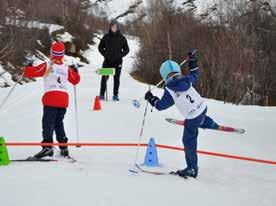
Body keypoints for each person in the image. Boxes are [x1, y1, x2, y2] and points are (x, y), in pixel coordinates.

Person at [144, 50, 219, 178]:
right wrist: (192, 60)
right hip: (202, 107)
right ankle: (208, 122)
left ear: (164, 76)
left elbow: (161, 106)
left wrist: (151, 98)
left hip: (192, 117)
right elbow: (195, 73)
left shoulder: (170, 89)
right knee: (200, 117)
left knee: (188, 140)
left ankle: (192, 169)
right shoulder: (187, 79)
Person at [23, 42, 80, 159]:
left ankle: (47, 147)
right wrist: (75, 70)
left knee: (48, 123)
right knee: (59, 123)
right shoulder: (66, 67)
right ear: (62, 54)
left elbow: (30, 73)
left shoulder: (48, 65)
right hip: (63, 99)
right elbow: (75, 80)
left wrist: (28, 66)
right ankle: (63, 147)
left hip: (51, 98)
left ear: (51, 53)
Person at [98, 19, 129, 101]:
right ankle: (101, 94)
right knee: (104, 78)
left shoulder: (122, 38)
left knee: (116, 79)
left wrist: (120, 55)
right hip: (107, 62)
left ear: (117, 27)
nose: (114, 28)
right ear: (110, 27)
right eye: (112, 26)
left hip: (117, 62)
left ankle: (115, 95)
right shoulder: (106, 37)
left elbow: (127, 50)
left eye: (115, 26)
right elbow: (100, 47)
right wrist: (105, 54)